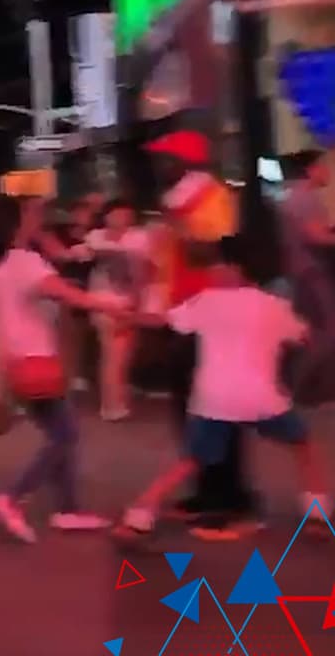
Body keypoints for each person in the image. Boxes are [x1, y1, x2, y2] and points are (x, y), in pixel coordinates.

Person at [114, 236, 330, 537]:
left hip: (213, 400)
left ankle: (137, 518)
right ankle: (318, 515)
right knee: (302, 444)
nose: (212, 270)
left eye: (218, 264)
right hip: (263, 399)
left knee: (192, 460)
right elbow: (303, 336)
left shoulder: (207, 301)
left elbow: (160, 320)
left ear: (235, 268)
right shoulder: (275, 306)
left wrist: (127, 316)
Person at [0, 197, 121, 542]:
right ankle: (13, 497)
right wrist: (110, 303)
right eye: (29, 217)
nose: (35, 224)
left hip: (14, 361)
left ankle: (68, 509)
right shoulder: (24, 261)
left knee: (62, 431)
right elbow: (66, 294)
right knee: (65, 435)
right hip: (35, 360)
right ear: (15, 225)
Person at [145, 130, 253, 538]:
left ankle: (230, 501)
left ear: (186, 160)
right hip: (185, 315)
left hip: (211, 317)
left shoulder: (211, 197)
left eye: (166, 158)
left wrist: (175, 223)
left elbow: (208, 250)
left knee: (215, 408)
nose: (160, 166)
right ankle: (207, 493)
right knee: (191, 408)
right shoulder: (182, 199)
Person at [84, 199, 151, 421]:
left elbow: (143, 273)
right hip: (106, 301)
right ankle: (113, 405)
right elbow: (140, 274)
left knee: (116, 355)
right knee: (115, 354)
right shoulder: (96, 238)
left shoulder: (137, 237)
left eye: (126, 215)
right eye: (117, 214)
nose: (122, 219)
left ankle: (113, 401)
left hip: (119, 299)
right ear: (107, 216)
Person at [278, 149, 335, 402]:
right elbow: (316, 236)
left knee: (312, 333)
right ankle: (297, 392)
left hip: (302, 271)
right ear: (311, 169)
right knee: (326, 332)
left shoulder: (295, 196)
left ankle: (309, 390)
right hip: (311, 272)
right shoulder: (305, 198)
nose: (328, 172)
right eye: (323, 166)